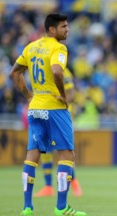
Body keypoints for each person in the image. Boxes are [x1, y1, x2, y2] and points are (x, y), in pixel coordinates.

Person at [10, 13, 86, 216]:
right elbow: (57, 71)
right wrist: (63, 95)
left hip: (34, 108)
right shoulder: (58, 47)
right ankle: (61, 207)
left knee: (32, 155)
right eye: (63, 27)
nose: (67, 30)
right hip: (54, 107)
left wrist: (28, 95)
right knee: (66, 154)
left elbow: (15, 72)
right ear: (52, 30)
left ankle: (27, 206)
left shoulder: (31, 47)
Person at [34, 68, 83, 198]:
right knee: (45, 151)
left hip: (60, 114)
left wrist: (59, 100)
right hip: (45, 114)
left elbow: (71, 94)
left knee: (65, 151)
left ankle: (74, 182)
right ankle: (48, 186)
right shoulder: (41, 70)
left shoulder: (63, 71)